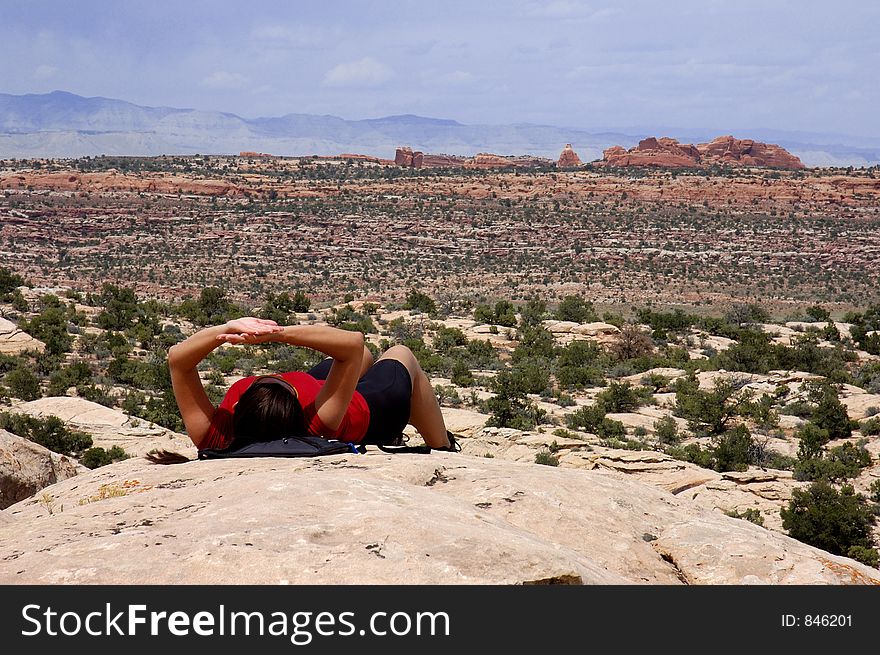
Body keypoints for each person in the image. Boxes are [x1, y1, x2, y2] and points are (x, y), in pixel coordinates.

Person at [167, 317, 458, 452]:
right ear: (299, 406)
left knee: (366, 358)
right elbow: (353, 343)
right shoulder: (320, 422)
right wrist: (277, 333)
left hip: (321, 393)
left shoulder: (217, 434)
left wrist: (228, 328)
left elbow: (177, 360)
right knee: (400, 354)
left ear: (238, 410)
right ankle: (444, 446)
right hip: (370, 411)